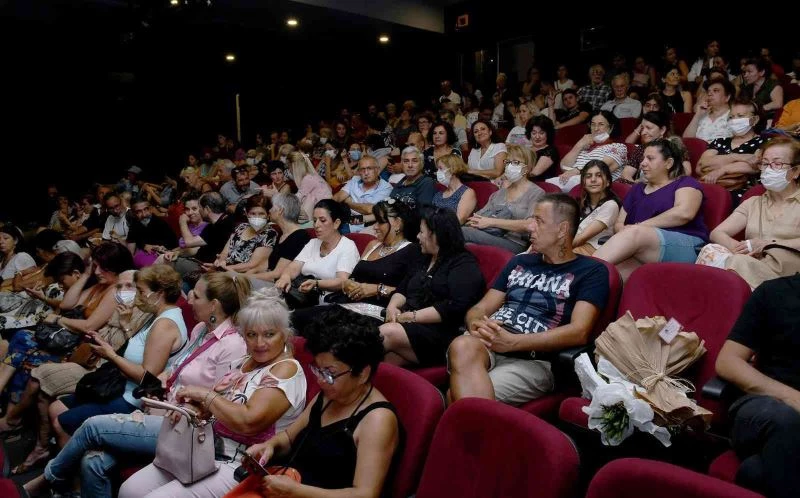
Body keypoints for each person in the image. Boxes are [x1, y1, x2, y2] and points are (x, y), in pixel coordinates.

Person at [23, 272, 251, 497]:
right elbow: (177, 369)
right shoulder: (201, 330)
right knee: (93, 461)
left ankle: (48, 478)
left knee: (92, 426)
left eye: (197, 297)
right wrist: (160, 385)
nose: (189, 300)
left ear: (214, 305)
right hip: (161, 409)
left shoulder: (232, 346)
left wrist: (181, 403)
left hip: (183, 426)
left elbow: (218, 402)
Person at [118, 287, 306, 498]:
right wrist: (190, 407)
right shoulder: (246, 361)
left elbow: (248, 421)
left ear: (285, 334)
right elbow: (219, 406)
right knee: (129, 490)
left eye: (269, 334)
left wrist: (204, 395)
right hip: (202, 447)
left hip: (240, 463)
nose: (260, 343)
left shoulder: (286, 369)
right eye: (252, 334)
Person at [447, 193, 610, 406]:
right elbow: (481, 307)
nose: (530, 227)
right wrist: (476, 323)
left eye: (538, 221)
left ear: (562, 230)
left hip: (534, 359)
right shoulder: (520, 262)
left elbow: (579, 332)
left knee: (456, 397)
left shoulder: (591, 271)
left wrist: (512, 342)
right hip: (488, 342)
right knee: (462, 346)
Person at [239, 306, 400, 497]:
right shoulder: (329, 394)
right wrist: (270, 446)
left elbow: (365, 494)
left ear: (363, 373)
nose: (321, 380)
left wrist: (295, 491)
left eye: (330, 373)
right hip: (290, 484)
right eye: (317, 369)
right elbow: (289, 438)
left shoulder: (377, 420)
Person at [8, 268, 151, 475]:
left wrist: (122, 328)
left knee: (42, 377)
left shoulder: (145, 315)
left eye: (130, 286)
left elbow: (131, 354)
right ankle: (38, 443)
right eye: (119, 286)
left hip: (107, 372)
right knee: (39, 375)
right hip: (94, 362)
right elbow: (75, 311)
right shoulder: (120, 305)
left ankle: (32, 439)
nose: (123, 290)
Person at [49, 264, 188, 444]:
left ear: (159, 294)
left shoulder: (165, 324)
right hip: (120, 386)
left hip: (132, 399)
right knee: (57, 408)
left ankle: (66, 461)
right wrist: (126, 328)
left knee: (61, 423)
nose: (138, 296)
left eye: (141, 291)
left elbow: (147, 377)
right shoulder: (157, 316)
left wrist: (111, 356)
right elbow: (144, 351)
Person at [714, 272, 800, 498]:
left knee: (755, 472)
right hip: (765, 406)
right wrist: (792, 397)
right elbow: (728, 361)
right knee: (787, 420)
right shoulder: (774, 292)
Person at [379, 208, 484, 367]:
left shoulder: (463, 263)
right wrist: (392, 307)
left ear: (436, 235)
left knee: (386, 334)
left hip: (439, 333)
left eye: (421, 232)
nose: (417, 236)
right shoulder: (423, 257)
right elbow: (403, 288)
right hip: (407, 326)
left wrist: (412, 316)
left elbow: (455, 307)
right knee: (378, 362)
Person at [593, 138, 708, 280]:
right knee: (607, 278)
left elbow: (684, 213)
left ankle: (580, 272)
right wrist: (626, 232)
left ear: (668, 163)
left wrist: (639, 227)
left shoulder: (685, 182)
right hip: (642, 248)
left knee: (635, 233)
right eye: (643, 158)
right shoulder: (636, 189)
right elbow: (619, 223)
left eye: (650, 158)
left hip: (686, 245)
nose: (642, 163)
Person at [702, 137, 800, 288]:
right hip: (751, 263)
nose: (769, 169)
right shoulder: (753, 202)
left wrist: (768, 244)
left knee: (736, 264)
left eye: (777, 164)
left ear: (796, 171)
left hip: (789, 274)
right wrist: (741, 249)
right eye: (765, 164)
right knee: (710, 250)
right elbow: (717, 233)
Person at [275, 200, 360, 307]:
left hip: (328, 303)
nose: (316, 225)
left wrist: (316, 284)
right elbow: (294, 266)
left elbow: (343, 281)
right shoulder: (313, 242)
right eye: (315, 220)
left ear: (336, 223)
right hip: (302, 296)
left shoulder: (347, 246)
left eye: (322, 220)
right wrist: (285, 276)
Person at [463, 144, 545, 253]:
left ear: (528, 167)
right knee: (467, 244)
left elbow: (530, 225)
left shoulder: (536, 193)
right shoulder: (498, 193)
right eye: (508, 162)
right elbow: (478, 217)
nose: (510, 166)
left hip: (515, 242)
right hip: (489, 235)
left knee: (463, 232)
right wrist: (474, 222)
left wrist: (491, 222)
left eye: (515, 162)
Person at [696, 97, 765, 194]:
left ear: (755, 120)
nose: (735, 120)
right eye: (731, 117)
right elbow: (702, 165)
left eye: (740, 116)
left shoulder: (764, 142)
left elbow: (756, 165)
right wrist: (739, 157)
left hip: (743, 193)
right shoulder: (719, 141)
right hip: (710, 189)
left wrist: (722, 170)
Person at [547, 110, 627, 192]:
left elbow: (602, 168)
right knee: (546, 187)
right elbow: (564, 167)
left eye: (601, 124)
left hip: (597, 187)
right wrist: (579, 144)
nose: (596, 129)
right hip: (571, 184)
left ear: (611, 127)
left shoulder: (618, 147)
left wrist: (577, 171)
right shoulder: (584, 147)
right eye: (593, 124)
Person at [248, 193, 312, 285]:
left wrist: (245, 277)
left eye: (272, 207)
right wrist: (249, 272)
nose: (269, 210)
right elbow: (269, 263)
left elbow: (277, 274)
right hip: (269, 280)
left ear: (280, 210)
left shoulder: (299, 236)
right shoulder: (282, 233)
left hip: (281, 285)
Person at [211, 194, 278, 275]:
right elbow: (225, 252)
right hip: (224, 271)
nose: (257, 217)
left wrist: (224, 268)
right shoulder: (241, 227)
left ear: (268, 215)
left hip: (244, 276)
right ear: (246, 213)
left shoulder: (270, 234)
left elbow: (252, 265)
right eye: (252, 213)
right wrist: (220, 261)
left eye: (261, 214)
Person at [622, 111, 692, 181]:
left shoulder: (674, 146)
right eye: (642, 129)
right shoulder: (641, 148)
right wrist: (637, 186)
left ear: (662, 130)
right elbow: (626, 174)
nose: (643, 133)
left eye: (649, 128)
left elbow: (687, 171)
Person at [572, 161, 622, 255]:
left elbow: (582, 238)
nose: (593, 180)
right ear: (583, 182)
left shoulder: (610, 205)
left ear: (608, 182)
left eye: (599, 176)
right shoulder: (580, 203)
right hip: (574, 246)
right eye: (588, 176)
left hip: (592, 251)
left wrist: (557, 248)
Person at [333, 155, 393, 232]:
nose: (366, 173)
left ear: (378, 170)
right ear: (359, 172)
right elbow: (337, 198)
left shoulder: (386, 187)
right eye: (362, 169)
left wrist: (348, 202)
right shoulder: (354, 180)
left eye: (369, 168)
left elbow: (370, 209)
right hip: (343, 218)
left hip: (363, 226)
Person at [127, 195, 179, 268]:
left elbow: (174, 245)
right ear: (133, 213)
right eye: (139, 211)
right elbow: (130, 249)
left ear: (151, 208)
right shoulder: (134, 225)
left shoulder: (161, 223)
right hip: (144, 261)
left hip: (165, 259)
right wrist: (143, 245)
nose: (144, 214)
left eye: (146, 209)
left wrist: (158, 248)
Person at [289, 151, 333, 224]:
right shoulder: (311, 176)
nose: (289, 170)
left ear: (294, 167)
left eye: (289, 166)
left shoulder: (308, 178)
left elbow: (297, 199)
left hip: (323, 212)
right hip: (323, 209)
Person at [389, 145, 437, 212]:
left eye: (414, 161)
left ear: (421, 164)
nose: (410, 165)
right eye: (406, 161)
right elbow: (389, 205)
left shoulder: (427, 183)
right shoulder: (402, 182)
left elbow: (423, 213)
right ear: (402, 164)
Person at [432, 154, 477, 224]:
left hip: (454, 229)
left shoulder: (467, 193)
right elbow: (429, 216)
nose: (437, 173)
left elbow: (460, 220)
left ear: (453, 169)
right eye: (437, 169)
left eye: (440, 168)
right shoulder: (439, 194)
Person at [0, 224, 36, 288]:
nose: (1, 242)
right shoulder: (2, 260)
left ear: (15, 240)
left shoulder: (22, 256)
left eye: (5, 238)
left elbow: (32, 278)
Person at [526, 115, 560, 180]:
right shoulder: (526, 149)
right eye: (534, 133)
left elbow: (535, 173)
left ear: (548, 134)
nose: (537, 137)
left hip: (540, 184)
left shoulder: (550, 150)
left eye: (541, 133)